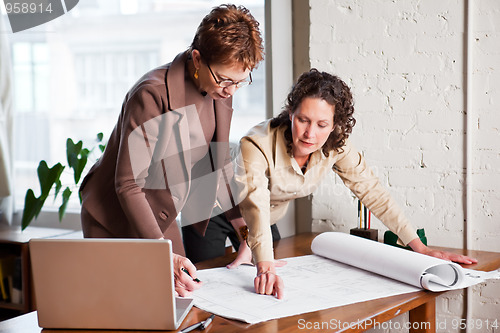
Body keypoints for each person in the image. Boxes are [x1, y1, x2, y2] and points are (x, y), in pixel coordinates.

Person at [233, 69, 477, 299]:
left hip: (263, 220)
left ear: (335, 124)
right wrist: (263, 264)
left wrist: (420, 248)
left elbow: (373, 193)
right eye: (303, 120)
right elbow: (254, 203)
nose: (310, 134)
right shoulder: (256, 143)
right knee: (217, 282)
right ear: (290, 114)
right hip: (217, 214)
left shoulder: (336, 146)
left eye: (322, 125)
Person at [79, 4, 262, 297]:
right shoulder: (151, 94)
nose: (231, 90)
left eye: (240, 81)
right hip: (112, 219)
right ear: (198, 59)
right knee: (123, 309)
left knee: (182, 301)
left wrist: (243, 231)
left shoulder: (219, 91)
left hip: (160, 214)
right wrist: (161, 253)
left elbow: (217, 165)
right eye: (225, 79)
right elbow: (128, 184)